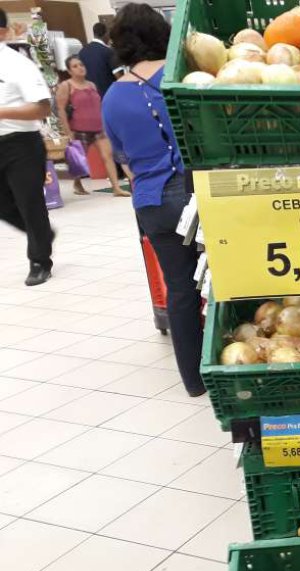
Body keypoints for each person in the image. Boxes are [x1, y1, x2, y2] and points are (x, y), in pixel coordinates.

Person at [103, 3, 205, 396]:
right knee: (223, 284)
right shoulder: (181, 77)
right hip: (196, 193)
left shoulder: (112, 96)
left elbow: (124, 161)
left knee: (180, 291)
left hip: (151, 201)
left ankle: (194, 382)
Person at [0, 8, 56, 286]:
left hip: (21, 144)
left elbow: (42, 107)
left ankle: (39, 260)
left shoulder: (16, 64)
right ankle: (43, 236)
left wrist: (1, 113)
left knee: (29, 202)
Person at [55, 55, 129, 196]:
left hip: (98, 127)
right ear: (69, 71)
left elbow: (98, 106)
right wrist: (68, 132)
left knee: (107, 156)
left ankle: (116, 188)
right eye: (75, 66)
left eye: (81, 64)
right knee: (78, 159)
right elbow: (61, 109)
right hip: (79, 128)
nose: (80, 68)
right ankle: (77, 183)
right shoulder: (67, 86)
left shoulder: (91, 85)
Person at [77, 21, 120, 98]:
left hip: (90, 96)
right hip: (109, 95)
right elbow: (119, 77)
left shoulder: (82, 52)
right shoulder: (108, 52)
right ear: (106, 34)